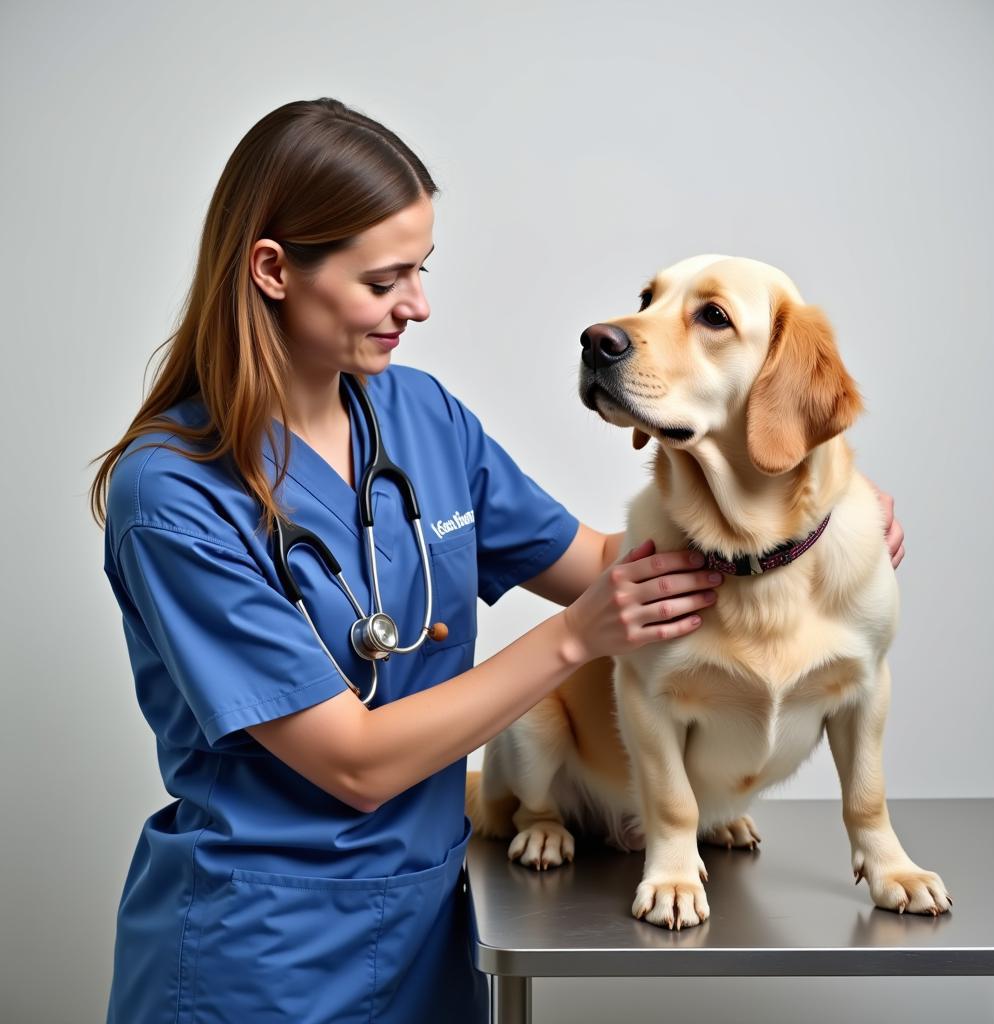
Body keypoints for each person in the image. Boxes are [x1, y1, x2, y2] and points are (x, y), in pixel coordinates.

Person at [89, 97, 906, 1024]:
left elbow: (611, 564)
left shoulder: (422, 420)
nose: (419, 304)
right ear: (274, 270)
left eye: (422, 269)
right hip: (260, 956)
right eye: (385, 279)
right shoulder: (174, 498)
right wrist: (570, 642)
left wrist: (815, 526)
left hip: (434, 928)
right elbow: (351, 764)